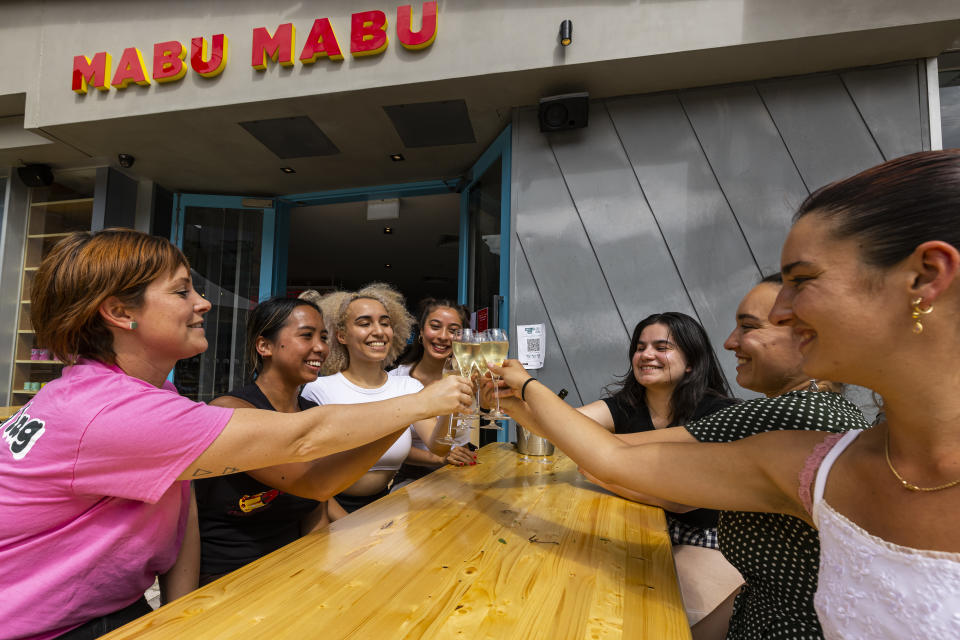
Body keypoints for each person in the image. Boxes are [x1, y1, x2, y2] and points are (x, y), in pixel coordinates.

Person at [489, 150, 960, 638]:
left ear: (925, 276)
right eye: (640, 347)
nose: (781, 310)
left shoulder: (784, 424)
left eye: (802, 280)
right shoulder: (817, 463)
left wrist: (524, 387)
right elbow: (605, 457)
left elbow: (612, 460)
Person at [0, 229, 472, 640]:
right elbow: (304, 442)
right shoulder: (114, 410)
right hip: (43, 627)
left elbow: (179, 508)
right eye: (182, 291)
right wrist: (423, 399)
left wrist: (179, 614)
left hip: (99, 608)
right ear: (121, 313)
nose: (203, 302)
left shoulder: (131, 390)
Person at [193, 297, 374, 585]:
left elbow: (316, 509)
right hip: (228, 580)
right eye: (306, 335)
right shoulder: (230, 410)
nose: (320, 348)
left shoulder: (311, 413)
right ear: (264, 346)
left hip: (292, 571)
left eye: (323, 337)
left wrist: (321, 576)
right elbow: (313, 483)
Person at [301, 284, 459, 512]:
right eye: (365, 323)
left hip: (386, 504)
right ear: (342, 335)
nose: (379, 331)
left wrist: (451, 405)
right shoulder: (319, 389)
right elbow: (308, 474)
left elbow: (439, 448)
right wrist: (342, 521)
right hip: (332, 510)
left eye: (385, 323)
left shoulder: (407, 387)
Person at [391, 298, 476, 484]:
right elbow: (389, 446)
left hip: (461, 470)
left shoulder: (468, 378)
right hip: (413, 476)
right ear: (421, 331)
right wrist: (440, 458)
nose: (444, 336)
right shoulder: (397, 380)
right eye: (435, 326)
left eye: (454, 331)